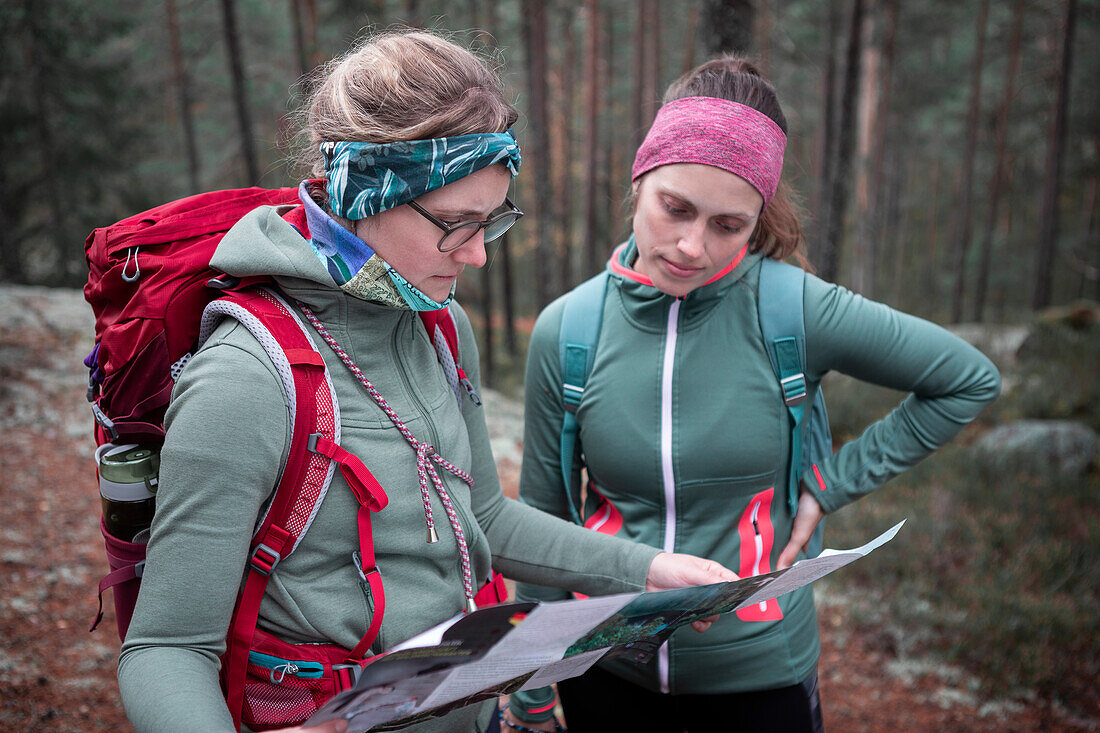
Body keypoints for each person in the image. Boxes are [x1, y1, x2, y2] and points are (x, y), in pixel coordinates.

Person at [116, 31, 735, 733]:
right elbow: (167, 648)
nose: (475, 253)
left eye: (491, 220)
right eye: (452, 223)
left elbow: (485, 517)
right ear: (364, 191)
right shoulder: (248, 377)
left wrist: (648, 571)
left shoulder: (439, 325)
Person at [510, 56, 1001, 732]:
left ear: (756, 219)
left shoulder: (792, 309)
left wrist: (831, 481)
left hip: (760, 679)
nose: (691, 246)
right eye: (675, 209)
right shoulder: (570, 330)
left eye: (727, 225)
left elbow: (966, 379)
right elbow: (544, 514)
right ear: (640, 179)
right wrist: (531, 690)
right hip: (605, 671)